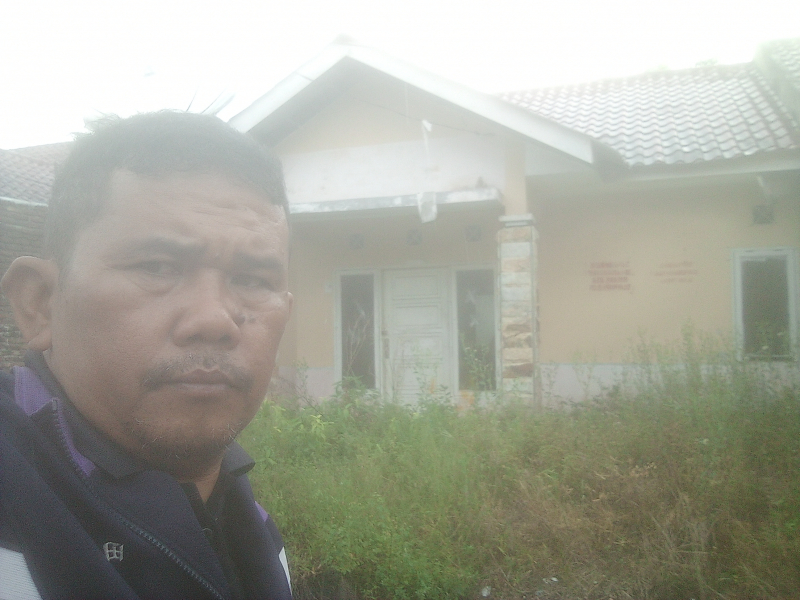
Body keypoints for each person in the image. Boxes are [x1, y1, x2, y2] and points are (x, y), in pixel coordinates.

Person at [0, 111, 294, 600]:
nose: (214, 319)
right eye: (157, 267)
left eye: (252, 279)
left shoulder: (258, 536)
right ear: (40, 303)